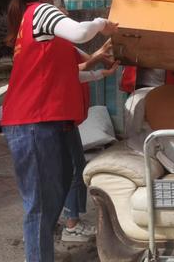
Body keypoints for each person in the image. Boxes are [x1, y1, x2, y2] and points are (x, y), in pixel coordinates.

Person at [2, 0, 118, 262]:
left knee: (54, 193)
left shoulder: (34, 22)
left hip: (42, 122)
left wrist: (99, 75)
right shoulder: (40, 10)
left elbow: (63, 74)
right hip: (33, 122)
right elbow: (81, 32)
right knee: (40, 206)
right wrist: (103, 22)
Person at [61, 41, 119, 243]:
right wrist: (101, 29)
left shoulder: (63, 44)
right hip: (57, 119)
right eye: (62, 14)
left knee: (74, 167)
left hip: (65, 118)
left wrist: (100, 70)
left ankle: (62, 222)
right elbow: (76, 69)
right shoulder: (52, 44)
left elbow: (81, 66)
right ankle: (70, 224)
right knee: (70, 170)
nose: (66, 18)